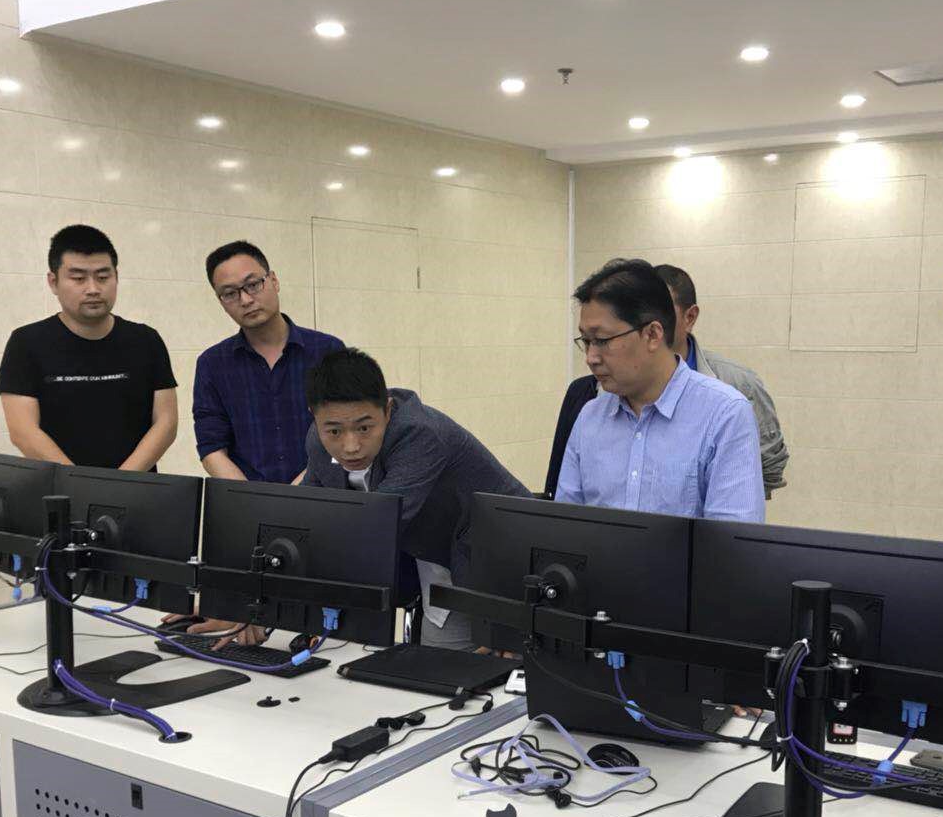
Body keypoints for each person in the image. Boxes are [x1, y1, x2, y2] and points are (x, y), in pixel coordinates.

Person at [301, 348, 531, 651]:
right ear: (314, 417)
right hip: (437, 559)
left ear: (388, 410)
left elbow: (376, 527)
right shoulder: (318, 440)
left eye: (364, 428)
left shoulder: (419, 433)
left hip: (503, 562)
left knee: (491, 669)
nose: (351, 446)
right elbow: (305, 517)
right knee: (441, 668)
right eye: (334, 431)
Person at [543, 263, 788, 499]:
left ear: (652, 334)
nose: (590, 358)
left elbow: (731, 525)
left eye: (602, 340)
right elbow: (567, 520)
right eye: (586, 342)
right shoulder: (590, 416)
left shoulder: (725, 414)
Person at [0, 225, 177, 470]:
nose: (93, 289)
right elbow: (23, 431)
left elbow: (166, 423)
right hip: (57, 489)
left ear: (116, 277)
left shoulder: (146, 340)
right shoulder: (26, 343)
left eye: (103, 277)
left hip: (137, 485)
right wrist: (80, 484)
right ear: (53, 282)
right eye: (78, 278)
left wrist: (121, 481)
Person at [193, 241, 344, 483]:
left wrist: (299, 491)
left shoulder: (328, 351)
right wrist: (252, 498)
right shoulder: (212, 364)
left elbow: (345, 432)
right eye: (230, 293)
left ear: (274, 280)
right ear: (220, 301)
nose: (245, 300)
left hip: (321, 492)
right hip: (245, 499)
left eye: (253, 284)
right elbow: (212, 447)